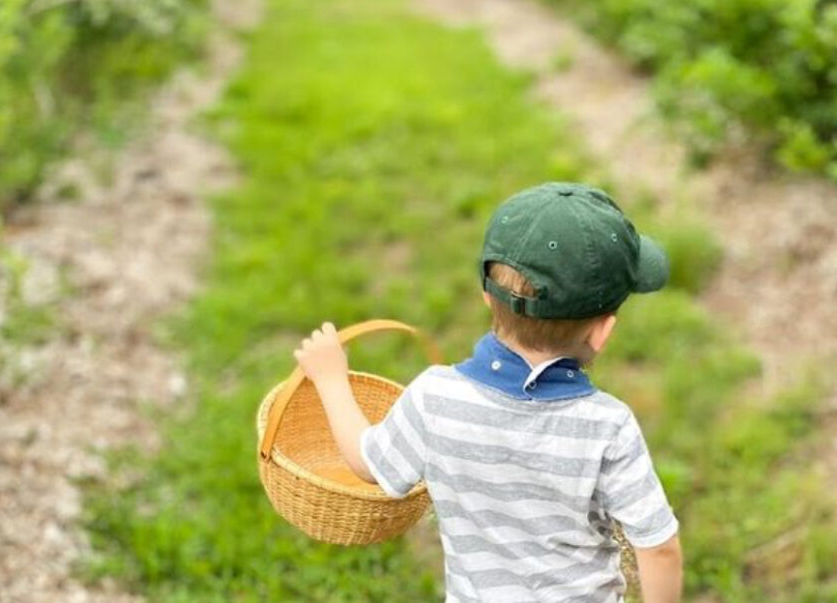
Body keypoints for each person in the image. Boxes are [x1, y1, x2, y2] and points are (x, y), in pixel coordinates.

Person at [293, 182, 683, 602]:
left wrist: (331, 380)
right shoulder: (608, 426)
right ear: (602, 332)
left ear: (485, 293)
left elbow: (368, 462)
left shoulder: (435, 397)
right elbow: (659, 547)